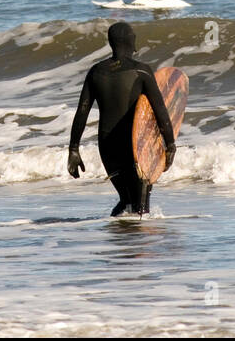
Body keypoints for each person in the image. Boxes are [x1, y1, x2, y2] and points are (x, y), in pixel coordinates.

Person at [67, 21, 176, 216]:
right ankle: (133, 244)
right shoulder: (141, 71)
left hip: (107, 146)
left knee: (125, 200)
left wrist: (73, 149)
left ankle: (117, 240)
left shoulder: (96, 72)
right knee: (141, 208)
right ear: (131, 42)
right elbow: (160, 111)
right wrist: (170, 145)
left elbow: (82, 111)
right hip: (135, 146)